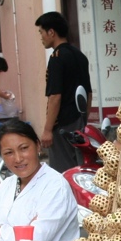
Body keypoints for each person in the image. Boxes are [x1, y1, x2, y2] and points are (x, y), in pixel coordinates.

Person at [35, 12, 92, 173]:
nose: (41, 37)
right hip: (78, 122)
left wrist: (47, 129)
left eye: (41, 32)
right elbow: (88, 94)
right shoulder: (80, 56)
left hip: (62, 124)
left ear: (51, 32)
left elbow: (55, 96)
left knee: (63, 171)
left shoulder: (57, 58)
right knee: (80, 168)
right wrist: (83, 121)